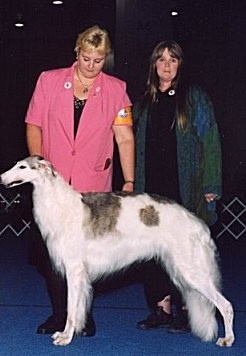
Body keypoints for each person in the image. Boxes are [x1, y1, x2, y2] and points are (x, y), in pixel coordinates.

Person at [25, 25, 135, 336]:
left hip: (93, 186)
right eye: (86, 58)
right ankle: (59, 314)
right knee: (54, 256)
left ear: (106, 58)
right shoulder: (48, 81)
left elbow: (124, 138)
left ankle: (83, 316)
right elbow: (34, 125)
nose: (91, 65)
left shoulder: (117, 89)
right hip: (53, 185)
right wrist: (38, 165)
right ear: (77, 52)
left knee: (90, 254)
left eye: (98, 60)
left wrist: (128, 182)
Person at [133, 40, 222, 333]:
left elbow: (210, 141)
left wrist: (211, 184)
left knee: (185, 251)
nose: (167, 65)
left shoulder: (194, 96)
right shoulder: (145, 99)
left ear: (180, 64)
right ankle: (161, 308)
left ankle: (187, 310)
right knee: (151, 248)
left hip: (185, 187)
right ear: (154, 65)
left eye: (173, 60)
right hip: (150, 189)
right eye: (161, 60)